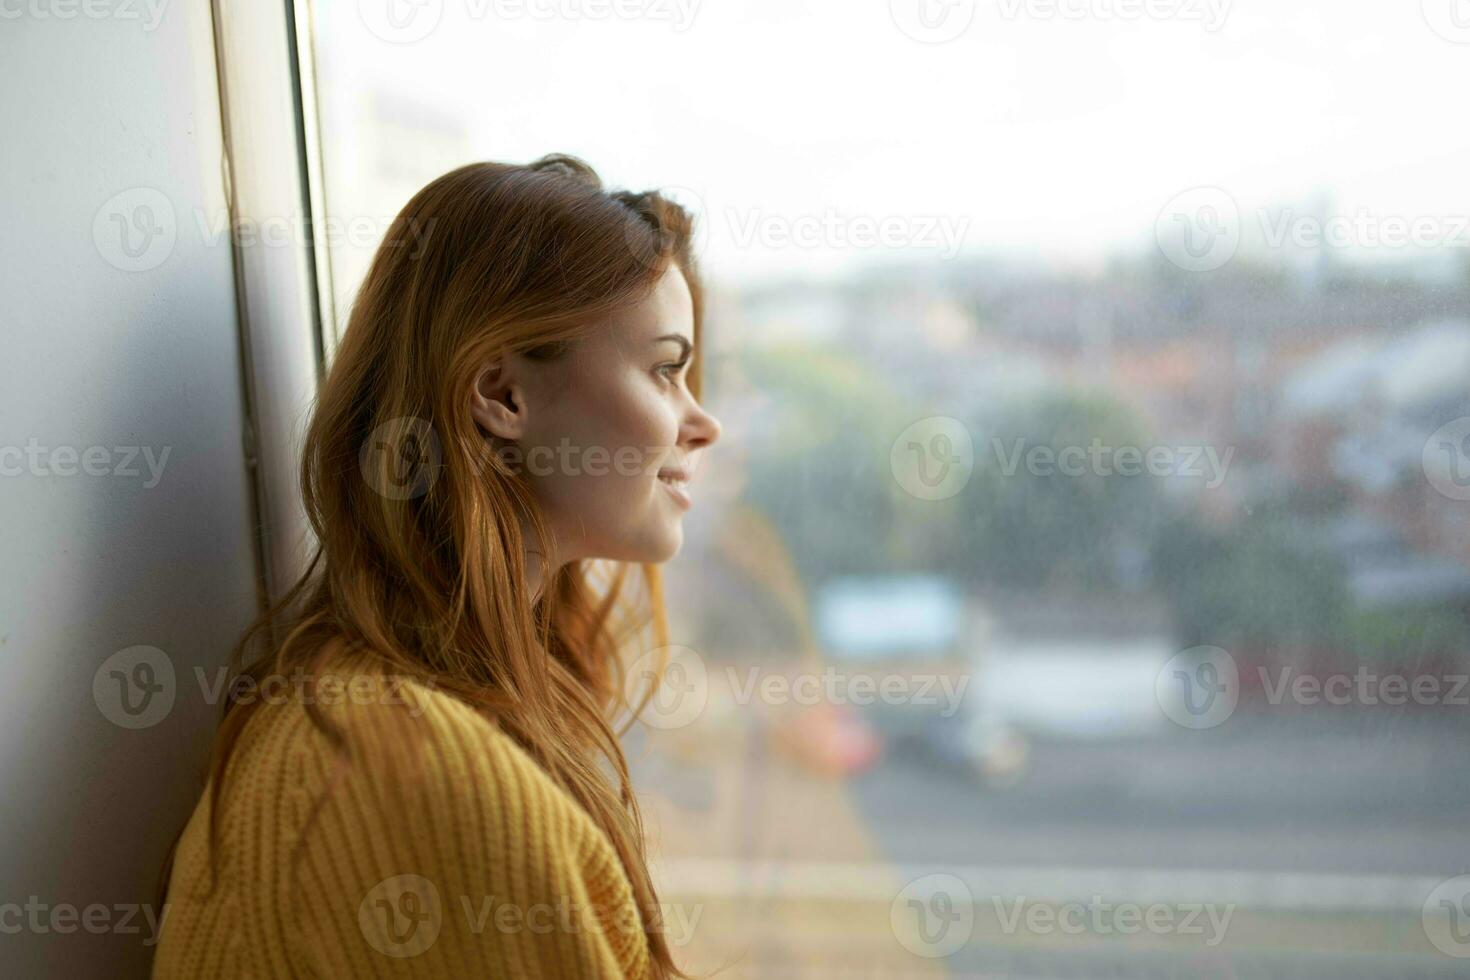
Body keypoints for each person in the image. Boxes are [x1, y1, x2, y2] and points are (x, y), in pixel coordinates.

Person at [151, 154, 722, 979]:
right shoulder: (411, 773)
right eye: (667, 369)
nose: (702, 424)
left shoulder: (407, 710)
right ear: (502, 395)